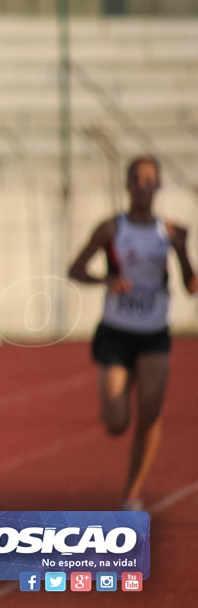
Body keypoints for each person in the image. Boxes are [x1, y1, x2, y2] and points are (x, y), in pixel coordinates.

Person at [68, 154, 197, 511]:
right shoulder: (111, 228)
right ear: (127, 185)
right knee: (116, 422)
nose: (142, 186)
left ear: (158, 186)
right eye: (136, 179)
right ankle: (119, 419)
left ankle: (131, 495)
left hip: (154, 332)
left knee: (150, 414)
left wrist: (184, 250)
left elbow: (191, 285)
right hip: (116, 331)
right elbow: (75, 269)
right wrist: (106, 279)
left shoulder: (169, 232)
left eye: (149, 179)